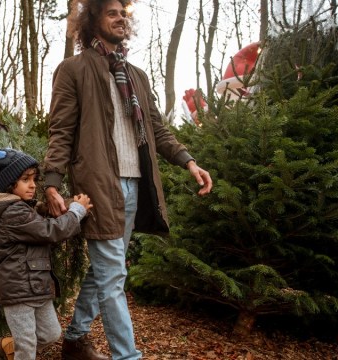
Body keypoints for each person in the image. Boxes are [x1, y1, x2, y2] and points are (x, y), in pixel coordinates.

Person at [43, 1, 214, 359]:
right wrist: (52, 182)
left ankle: (75, 339)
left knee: (109, 269)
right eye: (112, 13)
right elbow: (60, 131)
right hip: (98, 187)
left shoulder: (136, 74)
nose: (121, 19)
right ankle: (127, 356)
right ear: (92, 21)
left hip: (135, 186)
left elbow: (157, 129)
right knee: (113, 278)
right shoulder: (73, 70)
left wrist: (189, 161)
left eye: (124, 14)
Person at [0, 147, 93, 360]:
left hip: (37, 285)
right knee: (28, 346)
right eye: (25, 179)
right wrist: (77, 211)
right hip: (18, 289)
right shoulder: (12, 212)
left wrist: (65, 205)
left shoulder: (24, 209)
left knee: (51, 334)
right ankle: (20, 349)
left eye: (34, 179)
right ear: (10, 184)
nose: (32, 185)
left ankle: (10, 346)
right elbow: (50, 230)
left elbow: (42, 217)